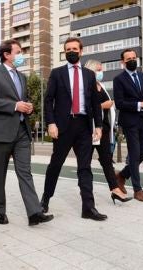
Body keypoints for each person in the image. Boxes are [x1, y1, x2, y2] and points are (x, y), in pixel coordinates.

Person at [0, 39, 54, 226]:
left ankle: (34, 213)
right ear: (7, 55)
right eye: (18, 51)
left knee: (25, 172)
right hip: (0, 133)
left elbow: (23, 100)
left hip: (22, 131)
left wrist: (28, 107)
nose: (21, 55)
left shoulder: (22, 77)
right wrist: (14, 106)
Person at [41, 37, 107, 221]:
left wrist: (99, 126)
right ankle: (45, 200)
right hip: (63, 126)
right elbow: (48, 100)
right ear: (65, 52)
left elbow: (95, 104)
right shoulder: (56, 73)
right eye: (68, 49)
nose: (71, 51)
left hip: (84, 126)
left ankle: (88, 207)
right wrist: (50, 123)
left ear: (81, 51)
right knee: (55, 164)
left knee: (85, 167)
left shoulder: (89, 75)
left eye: (74, 49)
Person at [85, 59, 132, 204]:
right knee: (85, 163)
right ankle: (86, 194)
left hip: (104, 129)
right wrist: (101, 106)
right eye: (98, 69)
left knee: (106, 161)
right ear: (91, 71)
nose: (101, 72)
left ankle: (115, 190)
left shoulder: (101, 86)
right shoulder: (86, 86)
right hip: (89, 129)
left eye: (101, 69)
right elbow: (84, 108)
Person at [113, 48, 143, 202]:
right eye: (128, 58)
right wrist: (140, 104)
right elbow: (119, 103)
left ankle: (122, 175)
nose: (132, 60)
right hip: (129, 122)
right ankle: (138, 190)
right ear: (123, 62)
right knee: (135, 154)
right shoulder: (119, 79)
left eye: (134, 57)